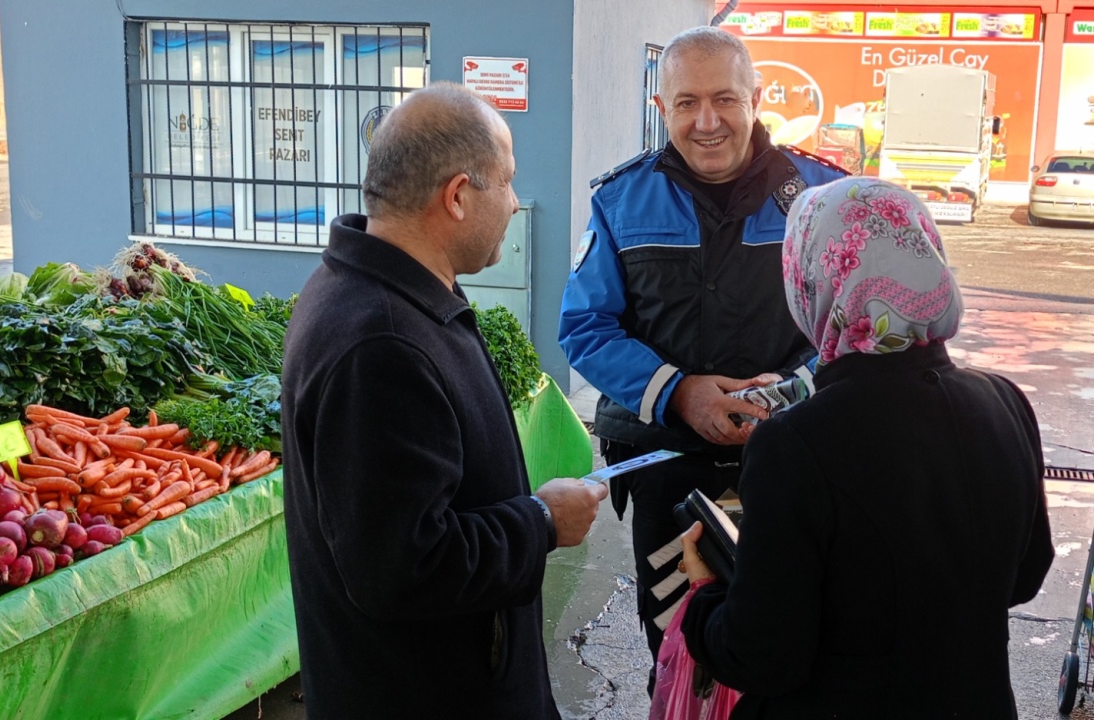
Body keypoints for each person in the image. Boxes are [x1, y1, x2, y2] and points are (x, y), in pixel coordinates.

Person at [281, 82, 609, 719]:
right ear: (457, 196)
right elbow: (403, 566)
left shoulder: (385, 295)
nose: (515, 204)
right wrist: (541, 522)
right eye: (508, 182)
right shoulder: (379, 342)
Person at [679, 177, 1055, 719]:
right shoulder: (1003, 401)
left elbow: (762, 656)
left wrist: (705, 597)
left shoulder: (796, 442)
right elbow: (1025, 575)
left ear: (812, 275)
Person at [557, 25, 848, 683]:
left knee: (797, 649)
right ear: (661, 109)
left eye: (724, 99)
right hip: (668, 479)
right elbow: (583, 328)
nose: (706, 121)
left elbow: (854, 326)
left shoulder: (825, 199)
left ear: (756, 97)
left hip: (798, 472)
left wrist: (792, 393)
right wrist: (680, 392)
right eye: (686, 103)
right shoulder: (617, 202)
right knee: (679, 650)